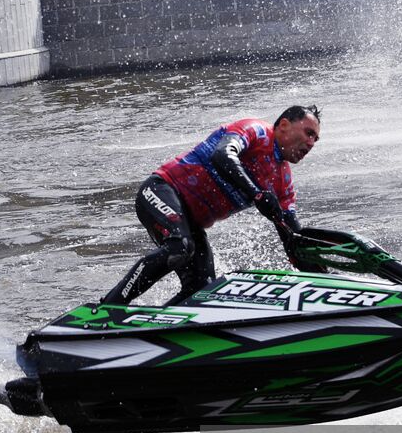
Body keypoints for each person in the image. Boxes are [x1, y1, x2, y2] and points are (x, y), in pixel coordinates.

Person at [102, 105, 323, 306]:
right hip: (161, 190)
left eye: (316, 139)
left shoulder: (283, 184)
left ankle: (155, 329)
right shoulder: (256, 130)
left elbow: (293, 240)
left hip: (189, 222)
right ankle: (108, 308)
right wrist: (256, 194)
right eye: (309, 133)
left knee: (202, 289)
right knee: (180, 247)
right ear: (284, 125)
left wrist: (326, 280)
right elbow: (222, 156)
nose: (311, 143)